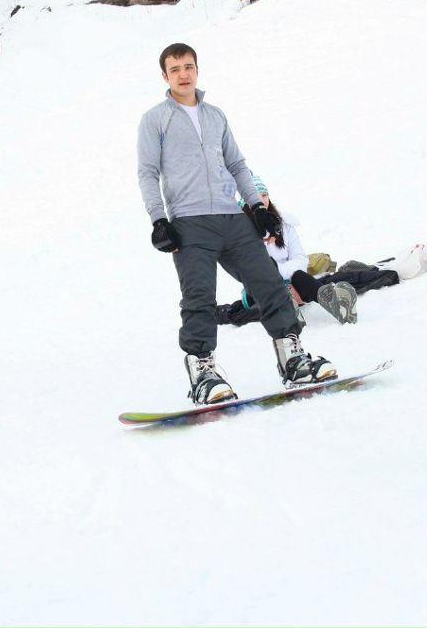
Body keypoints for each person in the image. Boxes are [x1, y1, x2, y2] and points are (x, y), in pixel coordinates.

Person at [137, 43, 337, 404]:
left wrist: (259, 208)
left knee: (271, 284)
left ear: (197, 70)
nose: (184, 74)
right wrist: (159, 221)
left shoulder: (216, 116)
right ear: (164, 76)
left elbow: (237, 165)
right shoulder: (156, 119)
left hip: (232, 218)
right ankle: (204, 372)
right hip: (189, 222)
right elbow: (148, 173)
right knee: (199, 297)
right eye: (175, 69)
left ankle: (293, 358)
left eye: (189, 66)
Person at [216, 175, 400, 327]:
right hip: (257, 289)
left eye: (265, 194)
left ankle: (337, 306)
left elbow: (300, 259)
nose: (262, 200)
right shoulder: (242, 232)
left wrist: (288, 277)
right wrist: (283, 278)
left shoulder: (284, 225)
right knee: (279, 279)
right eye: (256, 196)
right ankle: (290, 309)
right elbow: (256, 271)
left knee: (299, 277)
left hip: (290, 281)